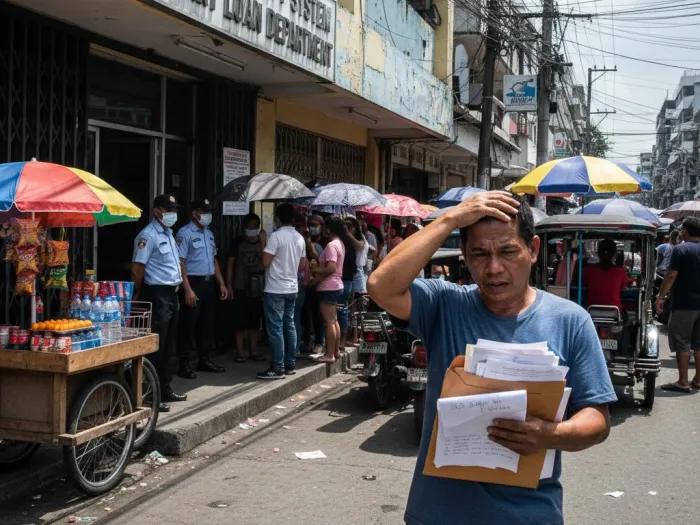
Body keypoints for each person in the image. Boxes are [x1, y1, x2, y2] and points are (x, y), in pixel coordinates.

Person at [367, 191, 615, 525]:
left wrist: (549, 434)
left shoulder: (569, 321)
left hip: (529, 515)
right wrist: (450, 218)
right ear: (465, 257)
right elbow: (381, 285)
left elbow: (597, 419)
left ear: (533, 250)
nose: (494, 268)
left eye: (508, 251)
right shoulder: (445, 305)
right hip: (438, 515)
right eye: (479, 254)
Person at [132, 194, 189, 412]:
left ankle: (164, 388)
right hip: (156, 294)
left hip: (171, 295)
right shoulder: (147, 236)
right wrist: (138, 291)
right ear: (157, 211)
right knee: (156, 346)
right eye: (169, 210)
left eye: (174, 210)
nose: (173, 214)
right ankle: (149, 395)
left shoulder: (169, 234)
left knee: (168, 346)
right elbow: (137, 269)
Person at [175, 198, 228, 379]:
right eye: (204, 212)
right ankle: (184, 363)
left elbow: (214, 260)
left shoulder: (209, 234)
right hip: (193, 283)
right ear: (195, 213)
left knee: (207, 323)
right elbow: (180, 262)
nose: (208, 215)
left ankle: (204, 359)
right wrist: (187, 289)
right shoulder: (185, 233)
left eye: (209, 211)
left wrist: (221, 283)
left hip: (208, 283)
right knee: (189, 325)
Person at [258, 203, 306, 379]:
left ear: (277, 219)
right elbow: (301, 265)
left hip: (276, 288)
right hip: (292, 287)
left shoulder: (275, 237)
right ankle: (290, 363)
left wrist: (262, 242)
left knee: (276, 327)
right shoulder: (300, 238)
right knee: (290, 324)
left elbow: (265, 262)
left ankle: (277, 367)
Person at [656, 217, 700, 393]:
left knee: (682, 341)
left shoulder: (681, 249)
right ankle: (697, 379)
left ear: (685, 231)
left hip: (684, 304)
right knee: (698, 343)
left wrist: (660, 297)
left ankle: (683, 381)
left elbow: (672, 274)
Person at [226, 213, 267, 363]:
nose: (253, 229)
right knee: (240, 321)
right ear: (244, 227)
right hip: (240, 286)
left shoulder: (263, 242)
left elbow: (265, 263)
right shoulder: (237, 242)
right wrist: (229, 285)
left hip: (257, 288)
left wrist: (262, 243)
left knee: (255, 321)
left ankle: (253, 350)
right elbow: (230, 264)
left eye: (255, 226)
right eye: (250, 226)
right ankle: (240, 352)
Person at [310, 215, 345, 363]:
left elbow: (331, 268)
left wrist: (315, 269)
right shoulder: (340, 243)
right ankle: (335, 351)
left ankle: (329, 354)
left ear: (329, 229)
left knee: (329, 322)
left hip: (329, 286)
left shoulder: (331, 245)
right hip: (336, 285)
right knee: (334, 320)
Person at [582, 239, 628, 311]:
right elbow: (624, 287)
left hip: (592, 310)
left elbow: (584, 284)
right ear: (614, 254)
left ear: (598, 253)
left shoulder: (588, 269)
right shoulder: (620, 271)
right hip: (614, 311)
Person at [345, 216, 369, 346]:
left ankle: (356, 337)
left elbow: (359, 246)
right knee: (351, 308)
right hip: (353, 272)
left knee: (357, 307)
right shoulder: (349, 240)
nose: (349, 229)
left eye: (350, 226)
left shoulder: (361, 239)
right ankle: (354, 336)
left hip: (358, 273)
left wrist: (348, 234)